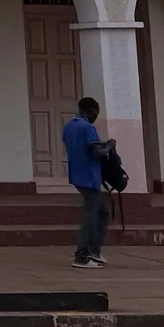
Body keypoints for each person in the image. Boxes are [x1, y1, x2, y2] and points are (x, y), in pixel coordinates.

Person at [64, 95, 109, 269]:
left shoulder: (69, 127)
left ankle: (94, 250)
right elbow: (97, 152)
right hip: (89, 176)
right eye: (96, 112)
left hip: (77, 174)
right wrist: (110, 145)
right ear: (92, 110)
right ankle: (82, 255)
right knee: (91, 215)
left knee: (102, 212)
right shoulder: (88, 128)